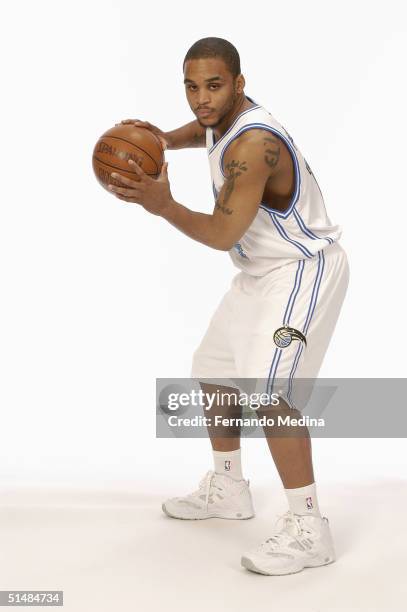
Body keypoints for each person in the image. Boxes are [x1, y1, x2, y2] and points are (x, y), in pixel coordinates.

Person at [108, 37, 350, 576]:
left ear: (240, 84)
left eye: (214, 86)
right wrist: (162, 140)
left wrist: (162, 205)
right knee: (213, 372)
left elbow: (220, 233)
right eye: (192, 87)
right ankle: (228, 489)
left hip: (301, 270)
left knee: (271, 397)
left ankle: (310, 529)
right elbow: (204, 128)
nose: (201, 100)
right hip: (259, 271)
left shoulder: (253, 144)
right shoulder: (220, 118)